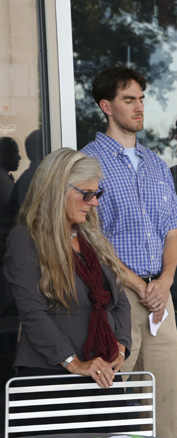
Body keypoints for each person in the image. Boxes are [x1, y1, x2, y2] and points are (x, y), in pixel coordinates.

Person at [80, 66, 177, 438]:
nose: (138, 107)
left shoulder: (155, 163)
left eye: (141, 99)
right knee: (115, 398)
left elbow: (173, 230)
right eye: (129, 99)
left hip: (160, 296)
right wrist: (138, 285)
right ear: (106, 107)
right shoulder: (88, 162)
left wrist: (166, 283)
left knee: (163, 397)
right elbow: (94, 237)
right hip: (118, 297)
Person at [5, 148, 128, 384]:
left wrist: (121, 347)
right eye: (86, 194)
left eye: (96, 194)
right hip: (52, 373)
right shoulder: (25, 239)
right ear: (58, 190)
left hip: (103, 371)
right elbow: (32, 313)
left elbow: (119, 299)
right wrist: (73, 362)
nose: (94, 203)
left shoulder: (92, 237)